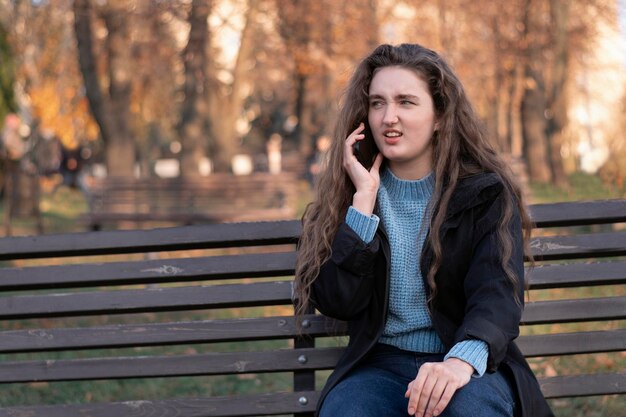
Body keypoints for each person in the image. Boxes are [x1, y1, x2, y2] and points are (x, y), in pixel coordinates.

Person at [294, 43, 553, 417]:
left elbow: (496, 293)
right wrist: (363, 207)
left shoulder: (484, 193)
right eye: (378, 102)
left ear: (440, 116)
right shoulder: (351, 195)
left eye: (406, 102)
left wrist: (458, 364)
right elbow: (338, 301)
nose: (388, 117)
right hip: (379, 365)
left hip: (463, 360)